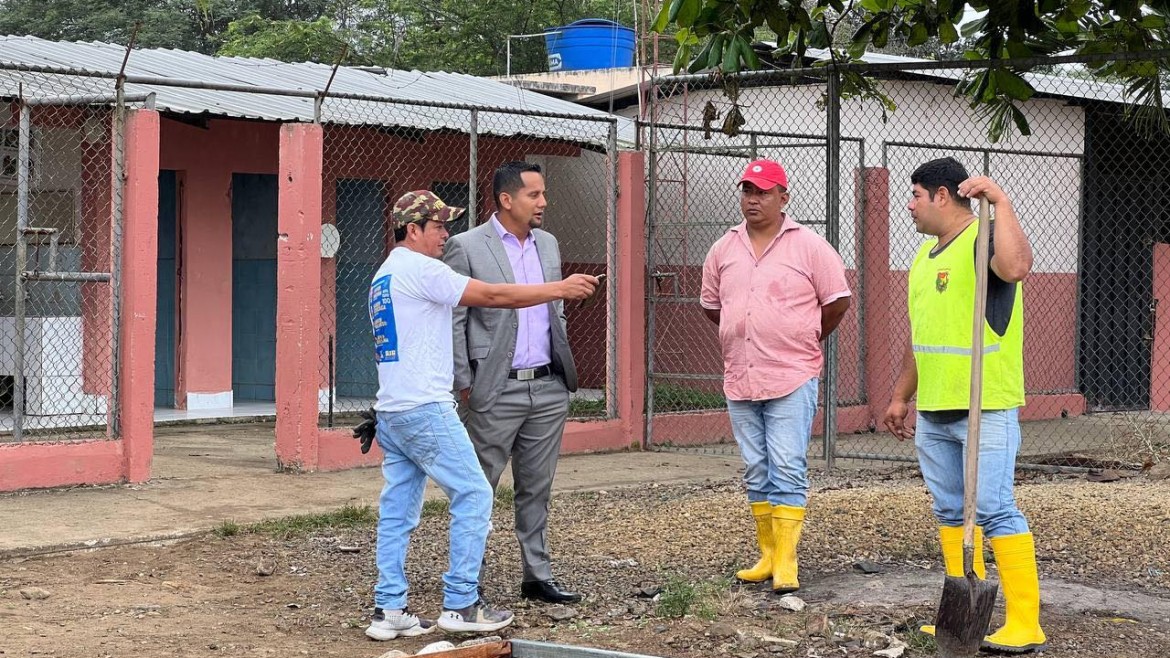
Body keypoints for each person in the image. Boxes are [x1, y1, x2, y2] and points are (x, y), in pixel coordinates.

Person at [360, 189, 597, 641]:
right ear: (412, 230)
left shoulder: (384, 274)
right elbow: (490, 294)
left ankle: (389, 608)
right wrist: (559, 289)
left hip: (392, 412)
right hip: (426, 409)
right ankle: (461, 604)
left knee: (397, 512)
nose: (446, 236)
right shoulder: (421, 268)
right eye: (438, 227)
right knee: (474, 494)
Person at [883, 157, 1047, 653]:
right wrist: (900, 396)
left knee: (995, 510)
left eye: (915, 194)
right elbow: (923, 338)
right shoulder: (924, 257)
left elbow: (1017, 268)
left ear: (942, 195)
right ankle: (961, 616)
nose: (909, 206)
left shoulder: (983, 242)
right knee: (951, 511)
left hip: (985, 406)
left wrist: (1001, 202)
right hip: (935, 409)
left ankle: (1025, 622)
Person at [699, 159, 851, 594]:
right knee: (756, 466)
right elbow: (713, 306)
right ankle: (766, 554)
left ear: (783, 197)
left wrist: (803, 334)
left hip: (791, 373)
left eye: (763, 191)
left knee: (786, 464)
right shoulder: (724, 248)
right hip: (741, 373)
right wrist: (742, 330)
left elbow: (837, 301)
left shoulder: (810, 246)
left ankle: (787, 559)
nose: (753, 199)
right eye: (747, 190)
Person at [442, 161, 582, 604]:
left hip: (546, 387)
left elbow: (552, 310)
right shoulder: (466, 246)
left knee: (536, 488)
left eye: (543, 194)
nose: (544, 203)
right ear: (506, 200)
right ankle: (468, 582)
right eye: (534, 195)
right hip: (493, 389)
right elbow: (456, 318)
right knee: (478, 486)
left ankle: (536, 576)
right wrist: (465, 380)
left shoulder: (549, 244)